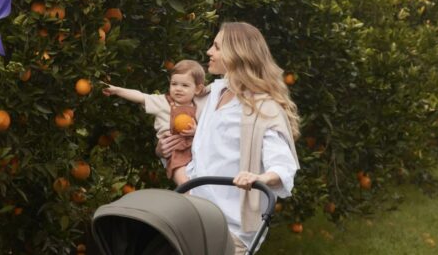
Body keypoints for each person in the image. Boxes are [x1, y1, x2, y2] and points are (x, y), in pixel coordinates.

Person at [156, 22, 300, 253]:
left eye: (217, 47)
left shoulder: (262, 108)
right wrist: (166, 152)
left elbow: (283, 167)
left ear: (237, 54)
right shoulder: (213, 94)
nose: (209, 52)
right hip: (194, 219)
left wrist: (258, 177)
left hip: (230, 231)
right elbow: (200, 157)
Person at [102, 60, 207, 185]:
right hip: (175, 152)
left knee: (203, 184)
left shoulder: (200, 105)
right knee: (185, 184)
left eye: (185, 85)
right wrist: (116, 90)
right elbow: (141, 96)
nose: (178, 89)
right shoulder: (162, 102)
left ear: (197, 89)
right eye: (174, 84)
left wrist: (196, 130)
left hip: (195, 150)